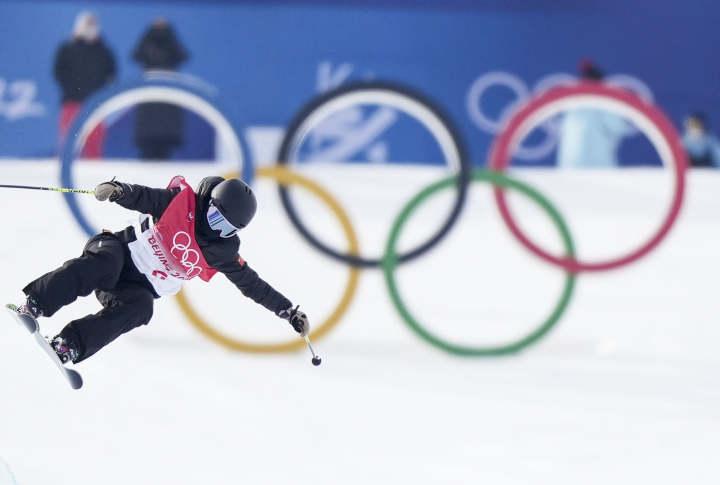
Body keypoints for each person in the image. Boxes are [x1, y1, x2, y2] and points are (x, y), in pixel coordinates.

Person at [13, 176, 310, 364]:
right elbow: (144, 196)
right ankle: (38, 302)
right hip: (120, 250)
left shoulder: (223, 252)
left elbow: (252, 285)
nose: (214, 226)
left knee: (142, 309)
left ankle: (70, 345)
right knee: (104, 264)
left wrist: (287, 311)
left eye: (225, 227)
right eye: (214, 216)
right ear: (209, 202)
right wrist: (118, 191)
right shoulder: (181, 204)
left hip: (137, 287)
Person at [53, 12, 116, 158]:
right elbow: (58, 72)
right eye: (87, 24)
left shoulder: (103, 51)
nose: (89, 28)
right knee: (69, 146)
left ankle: (95, 178)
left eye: (92, 24)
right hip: (72, 102)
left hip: (95, 104)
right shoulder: (67, 49)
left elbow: (112, 74)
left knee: (94, 147)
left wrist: (99, 93)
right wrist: (72, 89)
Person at [556, 60, 632, 168]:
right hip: (589, 166)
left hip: (582, 166)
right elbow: (619, 128)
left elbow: (618, 128)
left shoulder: (572, 103)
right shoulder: (603, 104)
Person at [132, 18, 189, 160]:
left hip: (166, 100)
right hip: (150, 101)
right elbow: (136, 54)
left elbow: (182, 55)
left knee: (164, 150)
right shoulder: (147, 45)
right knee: (149, 148)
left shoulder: (171, 46)